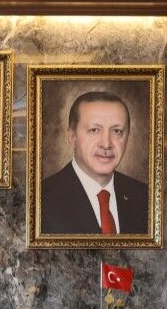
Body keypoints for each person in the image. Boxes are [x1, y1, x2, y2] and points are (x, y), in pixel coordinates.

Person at [40, 90, 150, 236]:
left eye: (117, 131)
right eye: (94, 130)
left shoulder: (146, 197)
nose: (106, 144)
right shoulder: (40, 200)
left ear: (128, 137)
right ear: (72, 136)